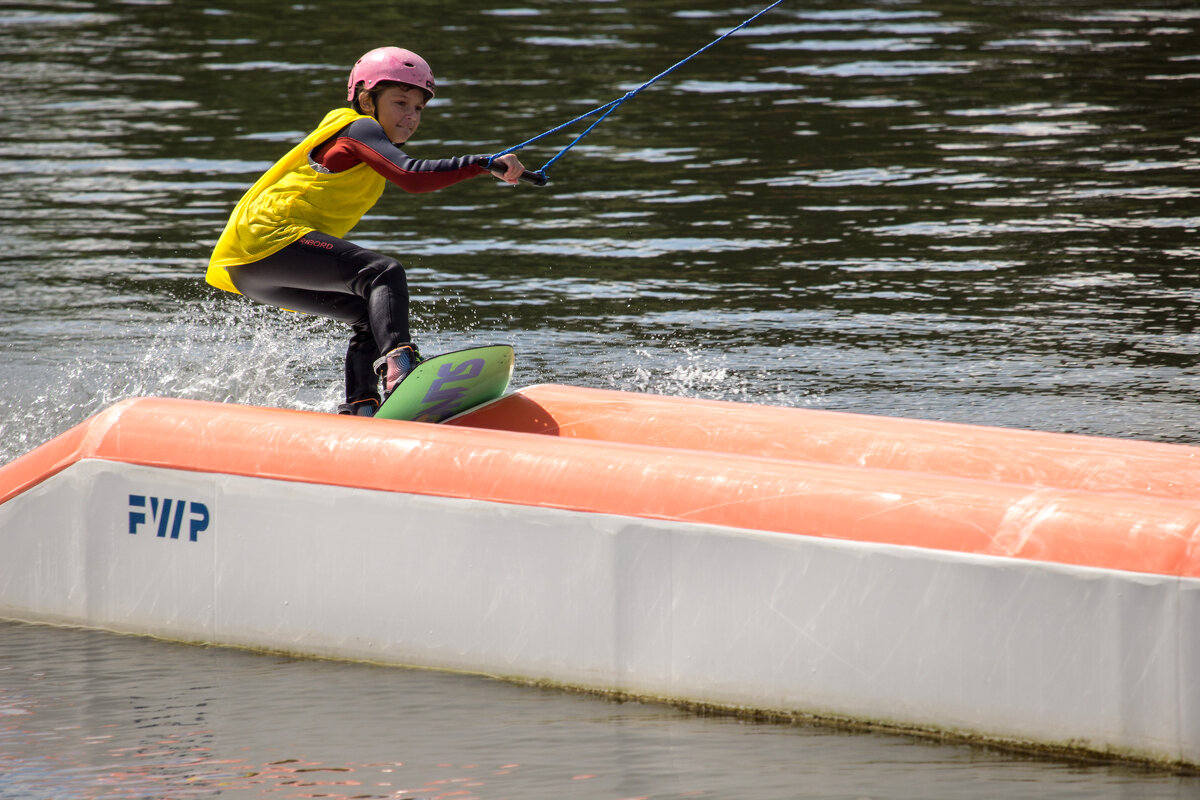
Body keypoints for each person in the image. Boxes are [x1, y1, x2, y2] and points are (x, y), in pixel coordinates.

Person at [207, 46, 527, 416]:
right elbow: (412, 175)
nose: (410, 116)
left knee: (369, 315)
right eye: (401, 102)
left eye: (419, 109)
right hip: (268, 239)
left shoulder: (372, 147)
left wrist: (488, 167)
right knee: (382, 272)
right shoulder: (359, 127)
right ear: (366, 100)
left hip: (255, 269)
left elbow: (410, 172)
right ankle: (401, 368)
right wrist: (483, 163)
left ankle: (361, 405)